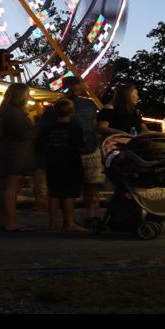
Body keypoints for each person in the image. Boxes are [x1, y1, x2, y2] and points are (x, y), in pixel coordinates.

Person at [34, 98, 85, 233]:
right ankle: (69, 222)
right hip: (70, 163)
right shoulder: (74, 128)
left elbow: (39, 146)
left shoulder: (47, 128)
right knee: (69, 193)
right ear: (72, 111)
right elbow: (80, 144)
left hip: (52, 163)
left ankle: (52, 224)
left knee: (54, 193)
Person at [0, 82, 38, 232]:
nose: (28, 96)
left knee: (7, 187)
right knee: (12, 188)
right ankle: (11, 222)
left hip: (10, 152)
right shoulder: (15, 113)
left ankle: (5, 220)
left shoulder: (6, 111)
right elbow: (23, 134)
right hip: (17, 153)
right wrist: (36, 129)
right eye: (26, 93)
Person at [63, 75, 104, 227]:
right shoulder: (89, 104)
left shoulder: (58, 105)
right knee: (92, 185)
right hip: (89, 148)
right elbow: (94, 125)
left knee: (72, 187)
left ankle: (71, 219)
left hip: (72, 150)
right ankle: (91, 216)